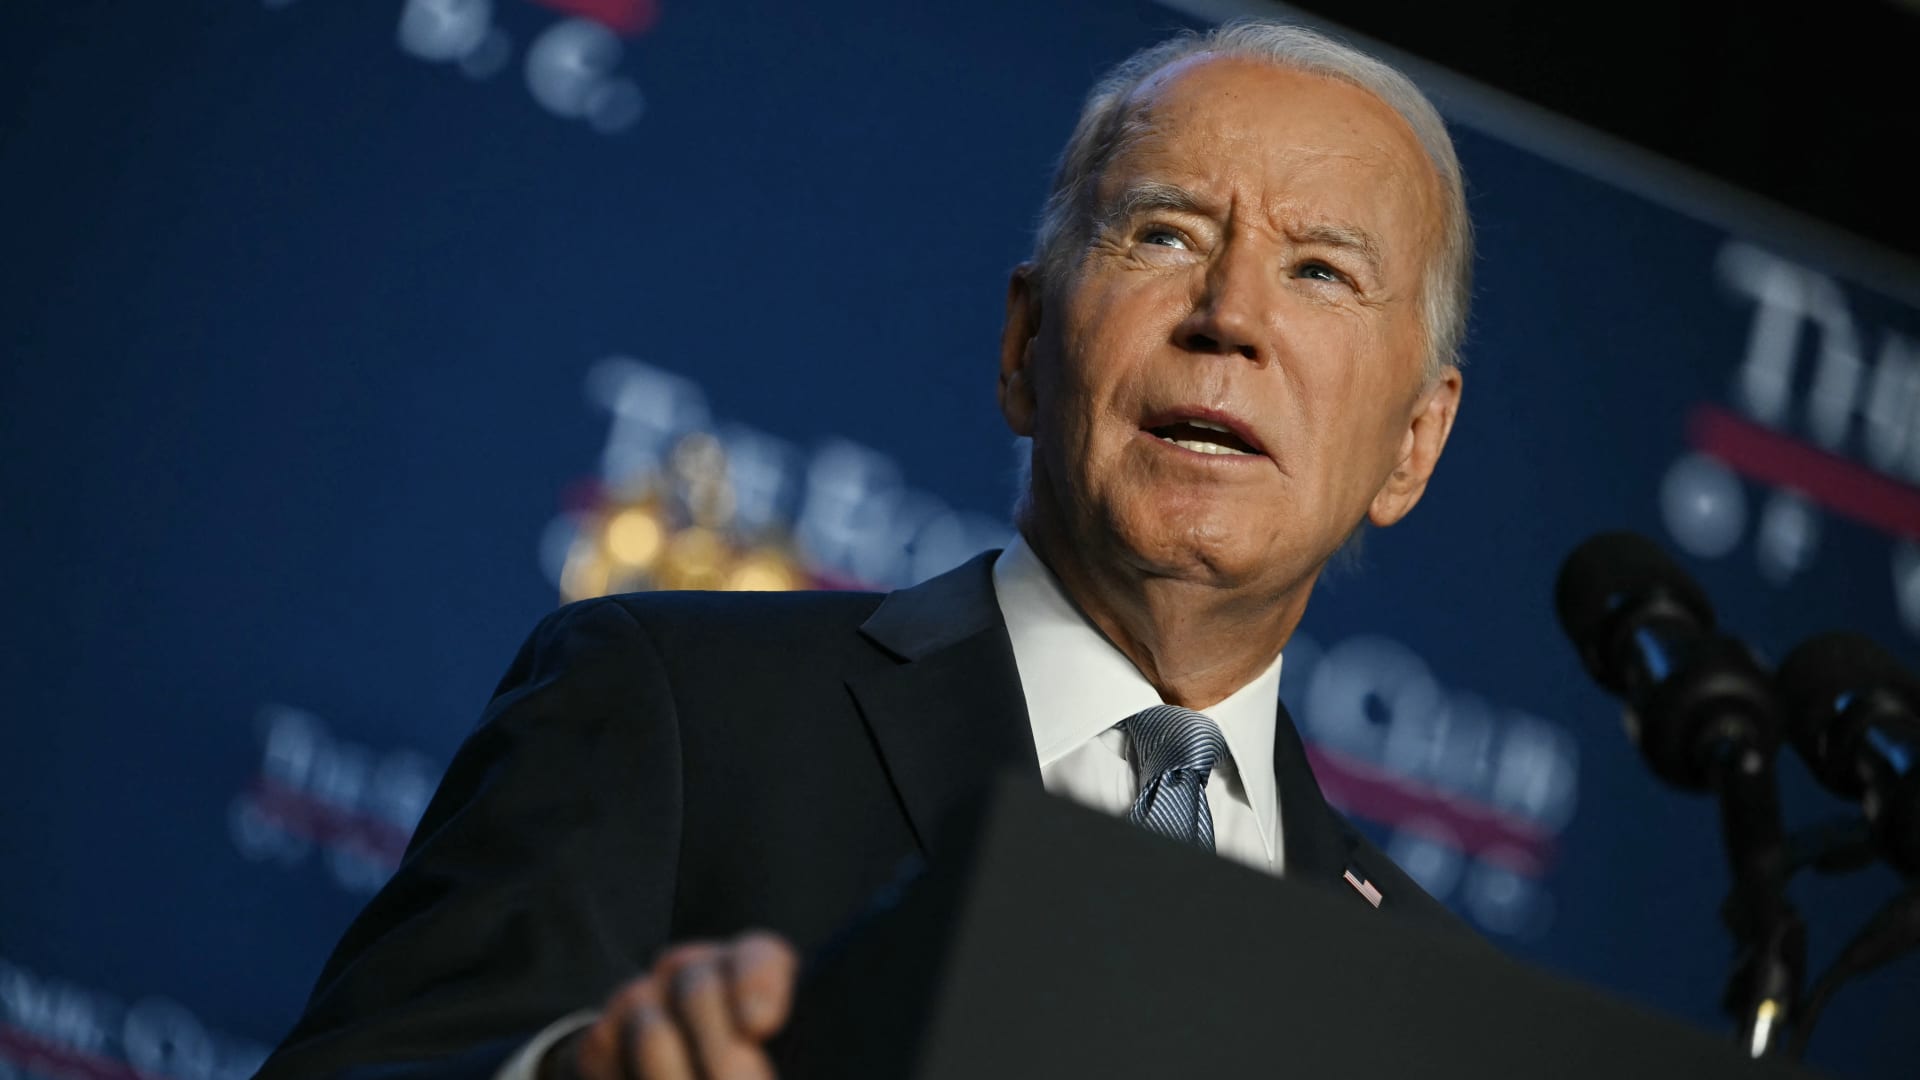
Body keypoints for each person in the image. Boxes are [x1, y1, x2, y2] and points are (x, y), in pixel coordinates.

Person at [257, 17, 1472, 1080]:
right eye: (1163, 235)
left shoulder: (1423, 989)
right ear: (1023, 345)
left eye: (1320, 271)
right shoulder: (676, 702)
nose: (1230, 317)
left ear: (1414, 446)